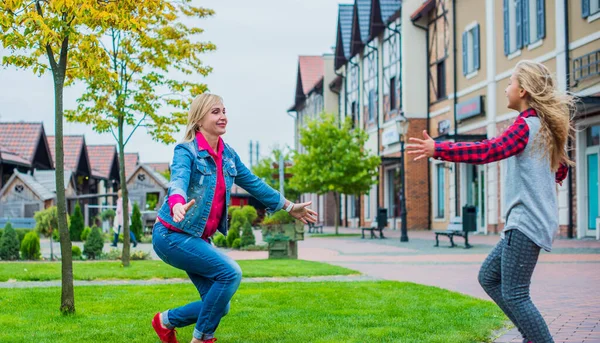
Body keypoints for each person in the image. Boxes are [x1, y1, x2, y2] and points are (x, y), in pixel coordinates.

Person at [406, 60, 573, 343]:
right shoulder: (542, 129)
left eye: (510, 82)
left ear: (523, 91)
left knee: (515, 294)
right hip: (527, 222)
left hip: (526, 223)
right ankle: (531, 336)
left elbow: (490, 150)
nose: (506, 88)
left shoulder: (526, 126)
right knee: (489, 277)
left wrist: (440, 148)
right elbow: (559, 170)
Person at [151, 93, 318, 343]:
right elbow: (178, 179)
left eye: (224, 111)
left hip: (196, 238)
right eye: (215, 112)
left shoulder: (228, 154)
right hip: (170, 235)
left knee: (220, 304)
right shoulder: (186, 151)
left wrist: (289, 206)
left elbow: (254, 184)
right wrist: (176, 203)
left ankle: (165, 321)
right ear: (199, 119)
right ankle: (202, 338)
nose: (223, 117)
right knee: (230, 273)